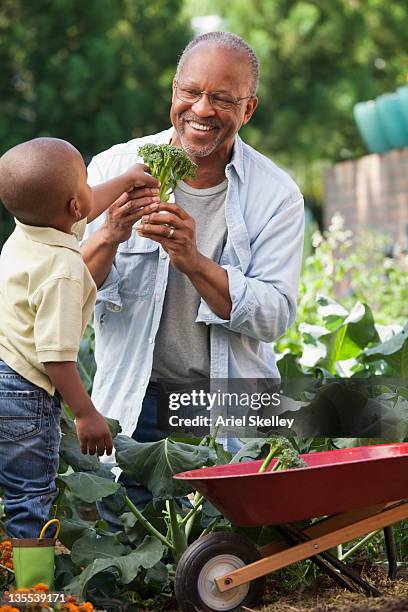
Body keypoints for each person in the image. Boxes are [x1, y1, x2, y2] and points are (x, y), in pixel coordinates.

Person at [82, 32, 305, 510]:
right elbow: (68, 289)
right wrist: (108, 234)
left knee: (212, 554)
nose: (202, 109)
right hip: (131, 399)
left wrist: (194, 260)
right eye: (191, 92)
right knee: (127, 543)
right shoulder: (113, 168)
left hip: (224, 405)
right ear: (174, 92)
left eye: (222, 98)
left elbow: (276, 315)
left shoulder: (276, 195)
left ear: (249, 110)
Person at [0, 136, 160, 545]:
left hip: (3, 369)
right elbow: (56, 358)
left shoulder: (27, 233)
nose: (93, 190)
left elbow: (81, 206)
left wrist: (126, 180)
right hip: (25, 394)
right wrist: (87, 413)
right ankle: (33, 599)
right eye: (87, 183)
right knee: (31, 499)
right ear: (74, 207)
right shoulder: (65, 268)